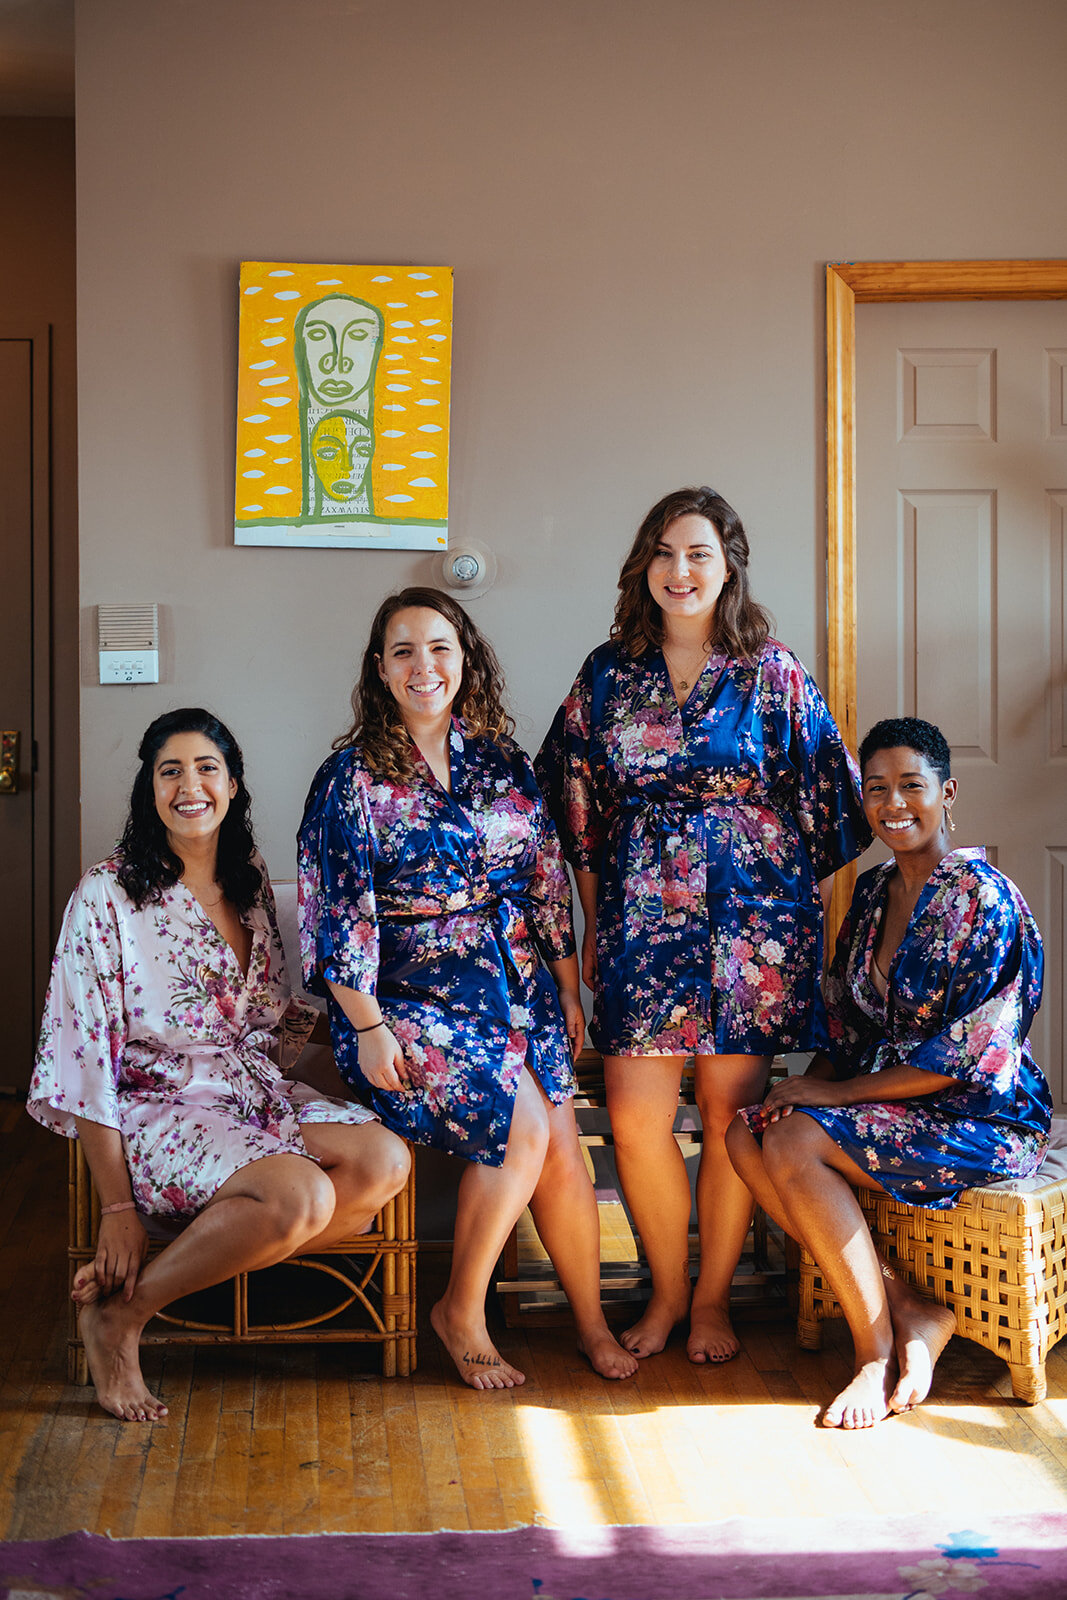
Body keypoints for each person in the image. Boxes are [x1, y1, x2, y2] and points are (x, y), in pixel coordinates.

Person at [536, 486, 870, 1363]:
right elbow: (573, 810)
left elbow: (833, 804)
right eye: (664, 554)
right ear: (642, 566)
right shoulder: (606, 675)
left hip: (752, 925)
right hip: (643, 916)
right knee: (634, 1116)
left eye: (698, 556)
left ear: (728, 569)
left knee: (730, 1114)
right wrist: (596, 915)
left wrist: (772, 891)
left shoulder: (773, 671)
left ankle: (714, 1301)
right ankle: (667, 1292)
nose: (679, 572)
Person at [298, 587, 637, 1390]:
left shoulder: (502, 761)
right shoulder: (347, 778)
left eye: (439, 647)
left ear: (465, 658)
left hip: (513, 983)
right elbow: (336, 911)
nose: (424, 666)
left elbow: (544, 875)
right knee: (524, 1125)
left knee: (560, 1147)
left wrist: (565, 986)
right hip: (403, 1001)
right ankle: (460, 1310)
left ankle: (589, 1322)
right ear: (379, 669)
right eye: (405, 651)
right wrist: (369, 1026)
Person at [29, 708, 410, 1423]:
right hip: (160, 1107)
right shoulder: (106, 893)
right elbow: (82, 1059)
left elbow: (268, 1013)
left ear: (233, 785)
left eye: (206, 768)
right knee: (304, 1198)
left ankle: (147, 1284)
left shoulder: (249, 877)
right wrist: (117, 1209)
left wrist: (377, 1030)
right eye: (169, 771)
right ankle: (121, 1321)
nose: (189, 785)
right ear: (149, 789)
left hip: (250, 1090)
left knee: (384, 1163)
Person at [727, 716, 1052, 1428]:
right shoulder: (873, 894)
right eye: (876, 789)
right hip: (892, 1101)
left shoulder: (984, 900)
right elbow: (848, 1021)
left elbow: (965, 1059)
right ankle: (907, 1307)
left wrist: (831, 1096)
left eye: (911, 785)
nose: (892, 803)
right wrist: (800, 1091)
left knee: (792, 1139)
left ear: (947, 792)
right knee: (749, 1131)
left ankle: (872, 1355)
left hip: (980, 1115)